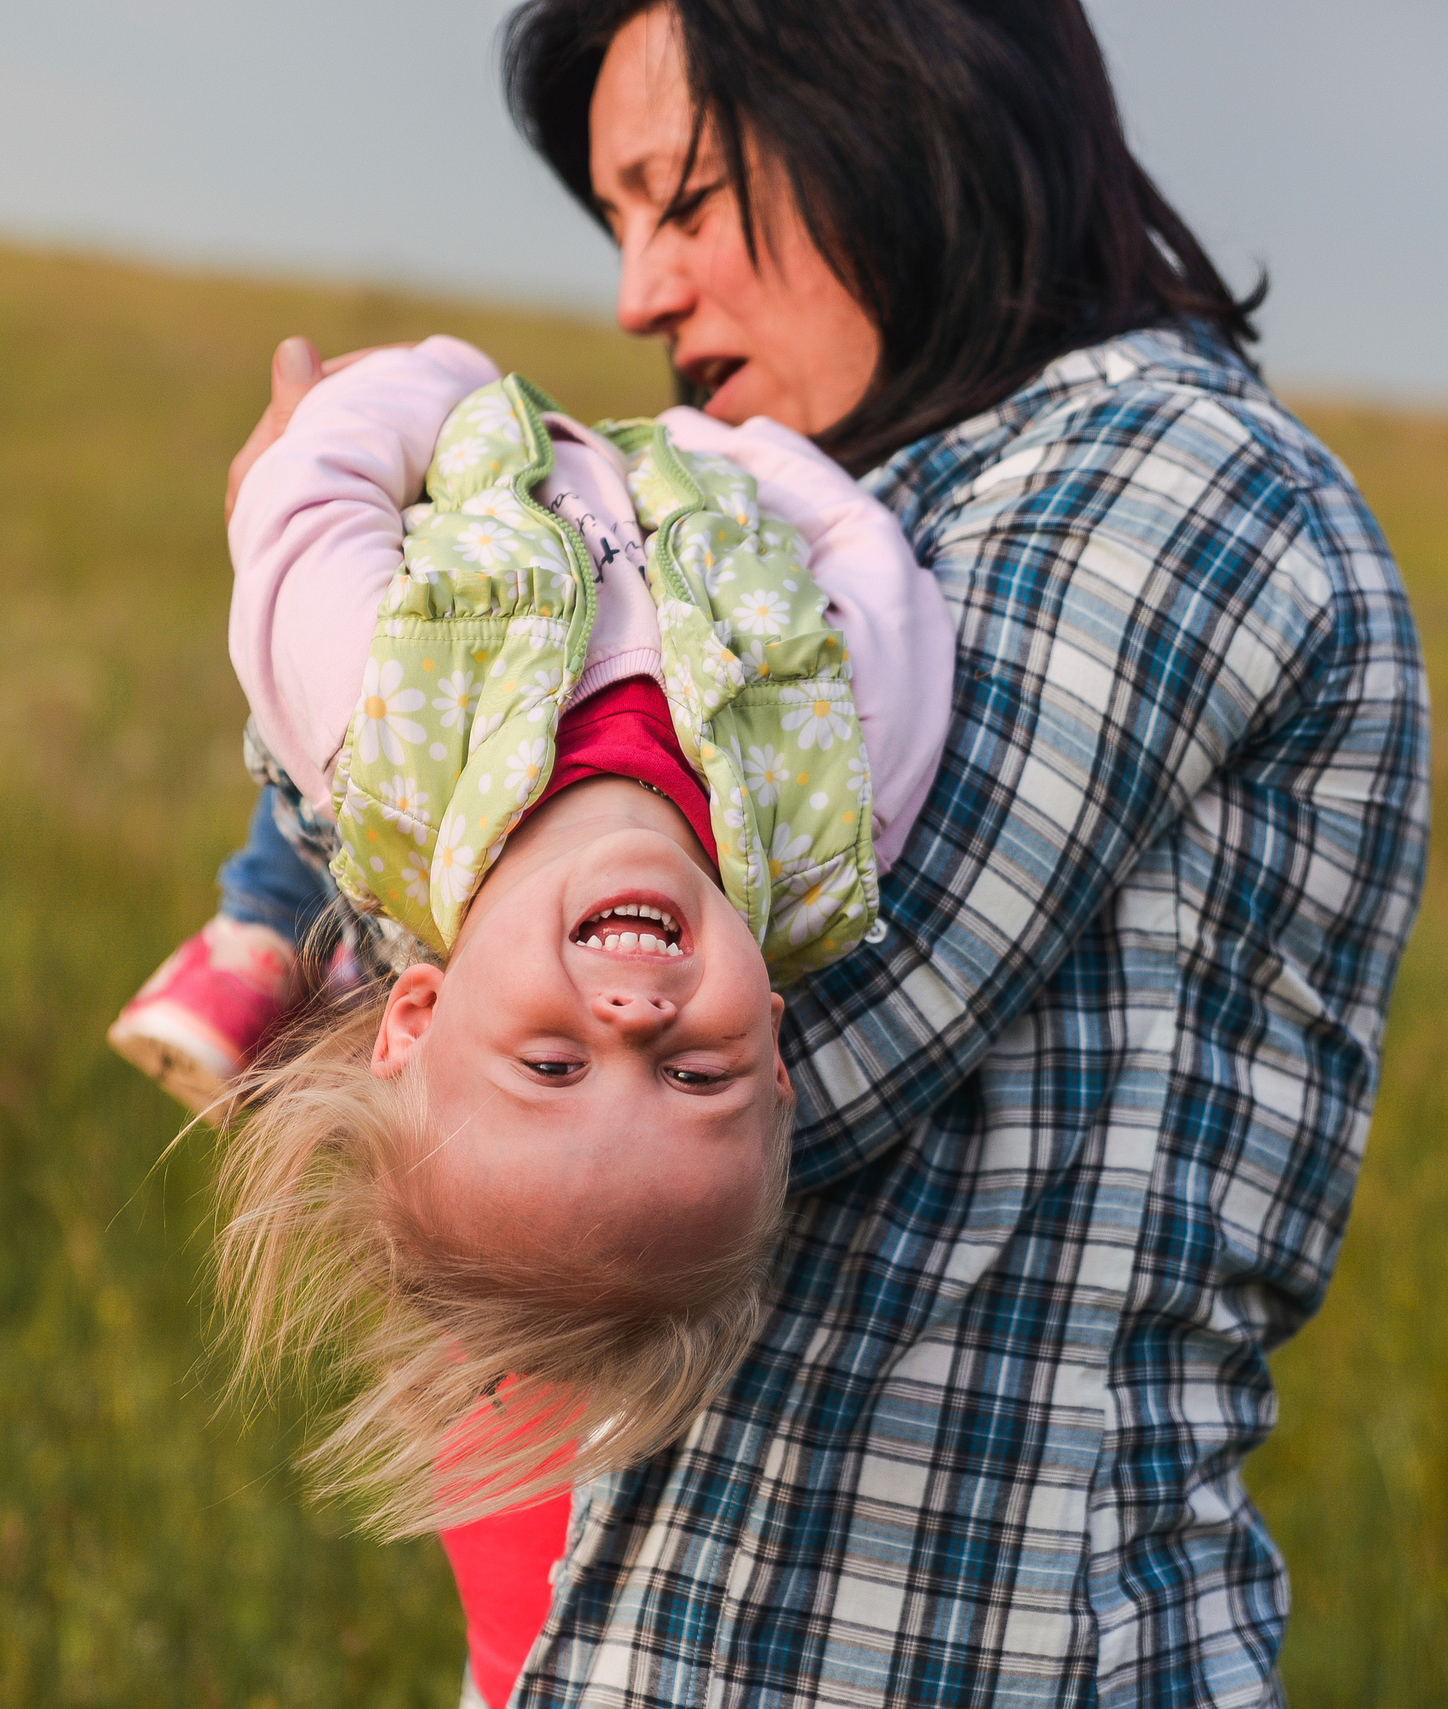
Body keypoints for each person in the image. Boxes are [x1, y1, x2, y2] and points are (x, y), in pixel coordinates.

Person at [218, 0, 1429, 1698]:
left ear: (900, 97)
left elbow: (814, 1055)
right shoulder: (798, 517)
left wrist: (345, 641)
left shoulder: (1169, 477)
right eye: (620, 223)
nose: (639, 294)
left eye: (685, 197)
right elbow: (486, 1081)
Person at [115, 328, 958, 1615]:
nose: (634, 1016)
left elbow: (308, 500)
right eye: (699, 1074)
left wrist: (440, 386)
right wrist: (735, 457)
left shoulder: (380, 744)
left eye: (554, 1064)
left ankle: (257, 932)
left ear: (415, 1010)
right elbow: (876, 576)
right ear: (777, 1048)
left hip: (479, 446)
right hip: (711, 478)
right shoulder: (836, 815)